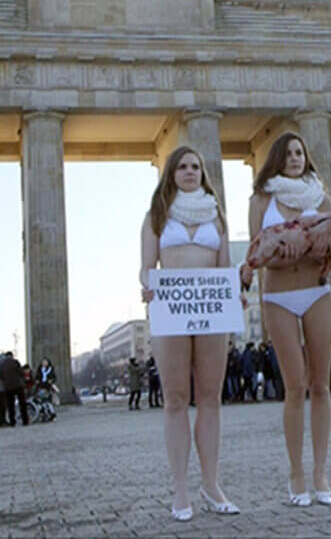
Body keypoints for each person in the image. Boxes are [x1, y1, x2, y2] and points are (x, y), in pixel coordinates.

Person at [141, 145, 240, 521]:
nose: (189, 172)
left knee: (212, 397)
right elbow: (146, 266)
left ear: (203, 172)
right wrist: (148, 285)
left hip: (212, 309)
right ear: (170, 173)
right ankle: (181, 488)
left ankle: (211, 484)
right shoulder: (156, 216)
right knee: (176, 398)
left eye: (195, 166)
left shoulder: (218, 218)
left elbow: (225, 265)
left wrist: (235, 295)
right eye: (182, 166)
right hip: (171, 310)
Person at [242, 132, 331, 506]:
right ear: (277, 159)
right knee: (295, 385)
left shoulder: (322, 198)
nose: (296, 158)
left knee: (321, 384)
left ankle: (321, 473)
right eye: (290, 153)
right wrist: (288, 249)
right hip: (279, 296)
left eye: (301, 152)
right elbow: (256, 249)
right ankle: (296, 473)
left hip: (317, 292)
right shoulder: (261, 199)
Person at [0, 352, 28, 427]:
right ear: (11, 356)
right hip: (18, 385)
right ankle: (25, 420)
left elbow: (0, 375)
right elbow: (20, 372)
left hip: (8, 387)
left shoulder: (2, 365)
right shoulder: (15, 362)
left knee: (10, 405)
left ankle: (12, 421)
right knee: (22, 403)